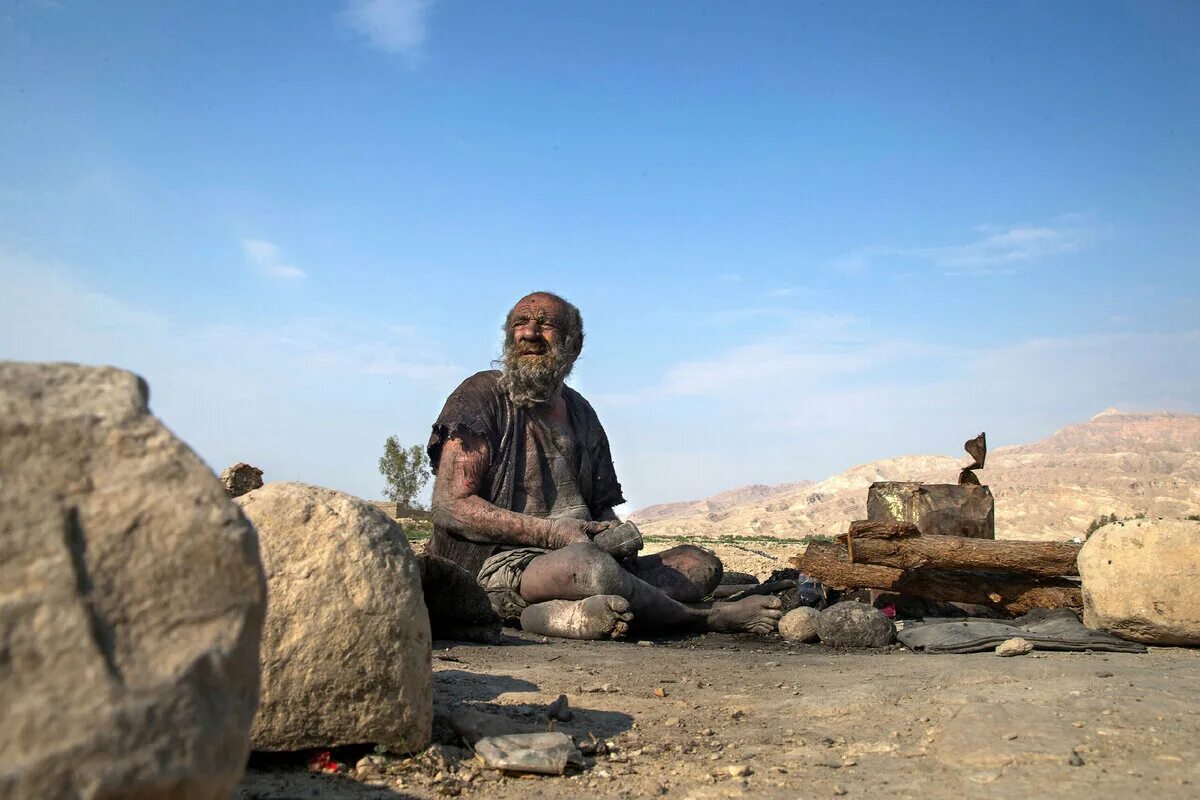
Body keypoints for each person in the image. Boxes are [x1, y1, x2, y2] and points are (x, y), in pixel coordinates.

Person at [427, 291, 781, 640]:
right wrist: (552, 533)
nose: (530, 333)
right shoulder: (480, 395)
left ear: (573, 345)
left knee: (698, 564)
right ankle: (703, 618)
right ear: (509, 337)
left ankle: (559, 614)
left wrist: (612, 532)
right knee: (589, 568)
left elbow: (600, 507)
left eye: (546, 324)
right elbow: (451, 506)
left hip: (582, 556)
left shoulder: (581, 413)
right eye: (521, 323)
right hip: (502, 565)